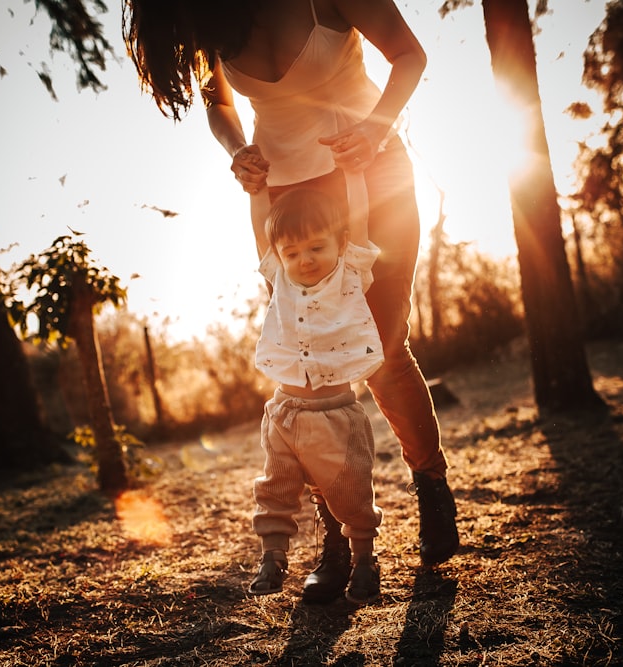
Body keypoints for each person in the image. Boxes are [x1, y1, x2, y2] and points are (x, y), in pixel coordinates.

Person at [123, 0, 459, 598]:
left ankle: (430, 484)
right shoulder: (213, 20)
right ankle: (335, 539)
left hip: (372, 173)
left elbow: (411, 55)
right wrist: (237, 151)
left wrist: (376, 127)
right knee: (310, 370)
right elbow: (220, 103)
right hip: (287, 202)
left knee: (379, 350)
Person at [249, 184, 383, 604]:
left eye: (316, 247)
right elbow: (260, 229)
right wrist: (255, 191)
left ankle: (364, 562)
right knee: (275, 488)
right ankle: (273, 557)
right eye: (291, 253)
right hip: (284, 413)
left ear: (340, 243)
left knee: (351, 494)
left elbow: (359, 218)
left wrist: (355, 172)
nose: (303, 260)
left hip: (336, 414)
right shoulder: (280, 279)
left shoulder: (351, 273)